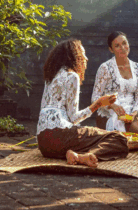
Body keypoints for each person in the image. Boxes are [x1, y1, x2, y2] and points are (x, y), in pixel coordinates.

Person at [36, 39, 129, 167]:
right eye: (82, 54)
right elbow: (74, 118)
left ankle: (73, 154)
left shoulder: (50, 77)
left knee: (90, 138)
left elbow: (43, 110)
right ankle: (83, 157)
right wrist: (98, 103)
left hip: (44, 144)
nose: (86, 58)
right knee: (119, 138)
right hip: (61, 136)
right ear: (73, 57)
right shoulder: (72, 76)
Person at [91, 31, 138, 133]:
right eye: (117, 46)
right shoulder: (105, 68)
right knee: (136, 133)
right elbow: (95, 98)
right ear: (111, 49)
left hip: (130, 115)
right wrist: (111, 105)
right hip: (108, 115)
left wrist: (134, 113)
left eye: (124, 43)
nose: (123, 48)